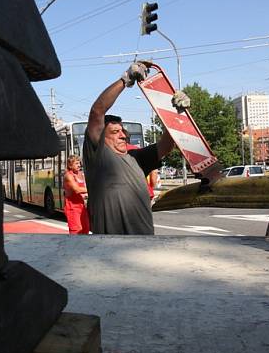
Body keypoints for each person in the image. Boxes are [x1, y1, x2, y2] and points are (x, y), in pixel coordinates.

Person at [83, 62, 189, 234]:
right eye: (115, 132)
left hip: (143, 245)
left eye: (123, 131)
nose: (123, 135)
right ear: (102, 136)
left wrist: (175, 115)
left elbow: (166, 146)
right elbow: (97, 111)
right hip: (107, 246)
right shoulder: (98, 154)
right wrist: (126, 79)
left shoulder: (136, 158)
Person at [63, 155, 90, 235]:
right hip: (72, 207)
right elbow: (77, 190)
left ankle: (85, 247)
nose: (79, 165)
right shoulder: (68, 176)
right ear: (70, 165)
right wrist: (92, 190)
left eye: (79, 163)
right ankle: (73, 247)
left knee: (86, 228)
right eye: (76, 163)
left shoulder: (80, 174)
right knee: (76, 230)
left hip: (81, 205)